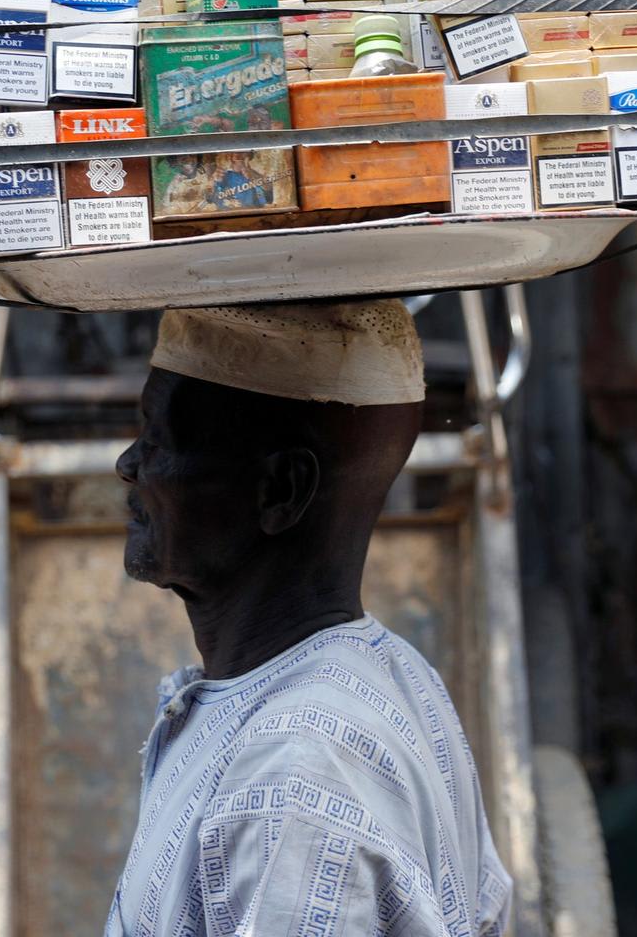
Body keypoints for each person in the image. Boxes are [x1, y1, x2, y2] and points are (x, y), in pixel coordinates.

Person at [105, 300, 511, 936]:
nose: (128, 465)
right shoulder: (397, 675)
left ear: (280, 491)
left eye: (159, 441)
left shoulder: (296, 769)